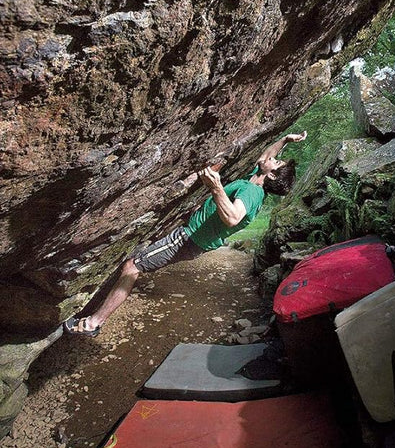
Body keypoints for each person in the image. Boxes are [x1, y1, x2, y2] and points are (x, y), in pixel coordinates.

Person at [63, 131, 308, 336]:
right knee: (134, 262)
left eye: (277, 163)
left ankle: (94, 324)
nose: (273, 158)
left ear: (272, 174)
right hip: (191, 233)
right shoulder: (253, 180)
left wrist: (216, 187)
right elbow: (267, 154)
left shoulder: (252, 193)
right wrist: (285, 139)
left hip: (187, 239)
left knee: (132, 266)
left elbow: (233, 216)